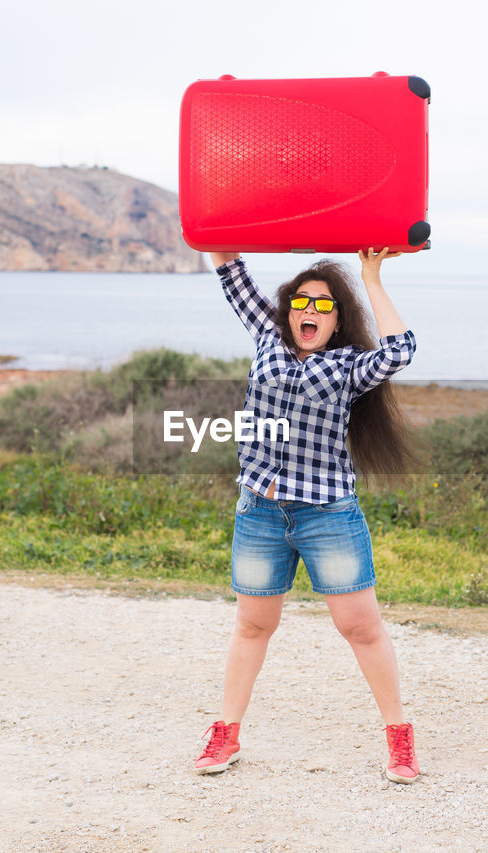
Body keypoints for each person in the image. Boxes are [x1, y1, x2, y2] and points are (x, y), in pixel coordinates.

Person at [194, 247, 421, 783]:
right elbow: (227, 262)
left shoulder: (348, 367)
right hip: (260, 511)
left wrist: (371, 274)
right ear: (287, 310)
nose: (309, 310)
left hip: (327, 515)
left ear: (338, 319)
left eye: (323, 305)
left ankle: (400, 738)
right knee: (253, 625)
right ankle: (227, 731)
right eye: (300, 301)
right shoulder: (267, 337)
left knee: (360, 628)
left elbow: (400, 349)